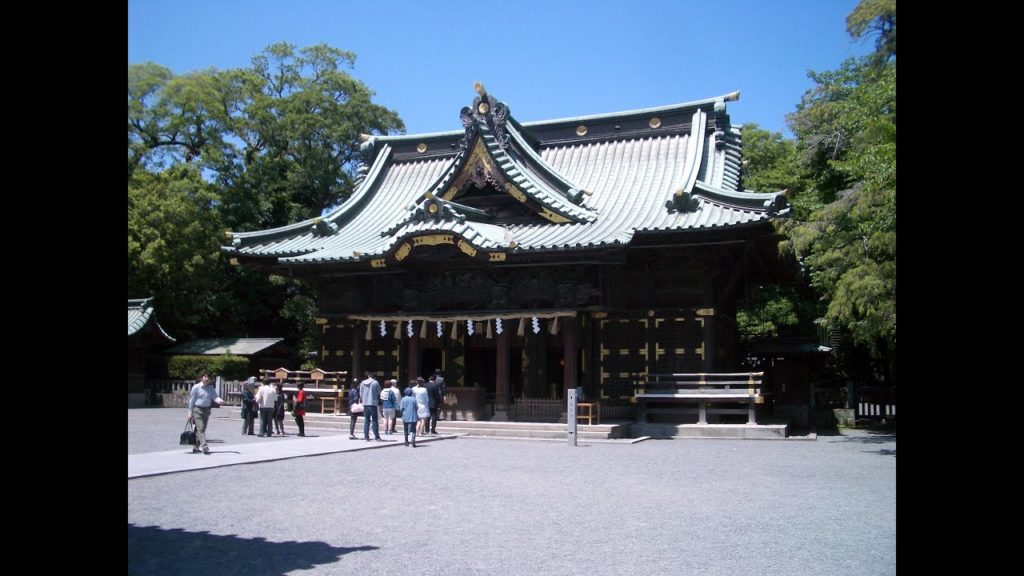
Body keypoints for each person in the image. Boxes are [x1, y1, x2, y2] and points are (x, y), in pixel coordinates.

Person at [187, 373, 224, 454]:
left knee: (201, 429)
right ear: (201, 378)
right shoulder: (196, 387)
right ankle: (204, 445)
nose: (207, 379)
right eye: (205, 377)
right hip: (197, 409)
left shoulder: (210, 388)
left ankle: (196, 447)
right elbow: (192, 400)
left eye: (208, 377)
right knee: (200, 428)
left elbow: (215, 396)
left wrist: (219, 400)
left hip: (207, 410)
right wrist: (190, 412)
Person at [359, 371, 382, 441]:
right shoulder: (375, 382)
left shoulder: (362, 383)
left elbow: (360, 393)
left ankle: (366, 436)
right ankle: (376, 436)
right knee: (374, 420)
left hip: (365, 403)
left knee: (366, 420)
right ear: (373, 377)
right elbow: (380, 392)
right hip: (373, 403)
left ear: (368, 376)